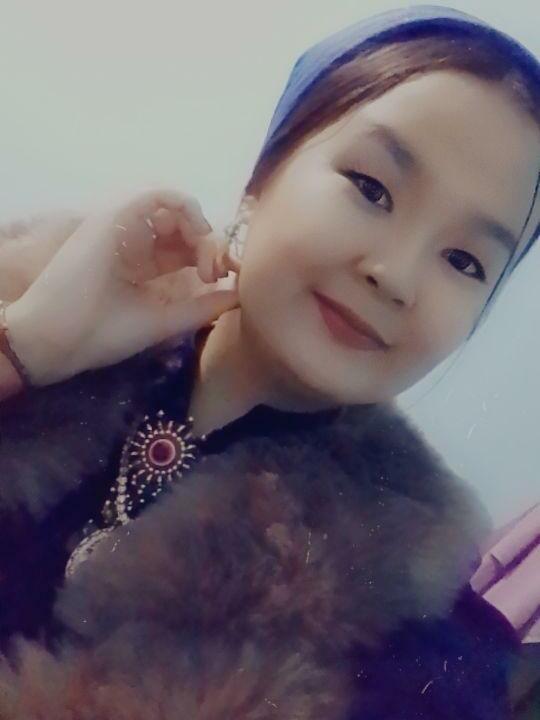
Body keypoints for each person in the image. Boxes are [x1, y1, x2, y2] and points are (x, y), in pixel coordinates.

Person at [0, 5, 538, 719]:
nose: (396, 276)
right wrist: (30, 346)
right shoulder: (35, 303)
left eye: (465, 261)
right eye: (372, 188)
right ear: (262, 175)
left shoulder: (411, 636)